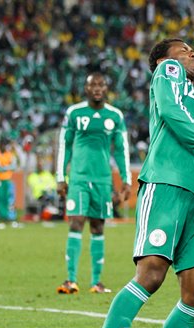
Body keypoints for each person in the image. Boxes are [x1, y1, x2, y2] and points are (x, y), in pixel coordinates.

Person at [76, 38, 194, 328]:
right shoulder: (168, 73)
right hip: (165, 185)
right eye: (184, 49)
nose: (193, 53)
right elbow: (173, 113)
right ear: (162, 59)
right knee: (151, 274)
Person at [56, 71, 132, 295]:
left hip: (102, 180)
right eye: (93, 85)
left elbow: (121, 149)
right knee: (76, 222)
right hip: (78, 178)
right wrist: (61, 177)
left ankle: (96, 282)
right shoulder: (74, 113)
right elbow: (65, 145)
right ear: (86, 89)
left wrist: (126, 180)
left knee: (98, 227)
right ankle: (70, 279)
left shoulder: (115, 116)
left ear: (106, 89)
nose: (97, 88)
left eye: (101, 84)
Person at [0, 137, 18, 228]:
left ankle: (11, 217)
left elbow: (14, 166)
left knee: (10, 199)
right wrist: (7, 167)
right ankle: (2, 218)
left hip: (8, 179)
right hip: (0, 180)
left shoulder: (9, 154)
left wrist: (5, 167)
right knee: (1, 199)